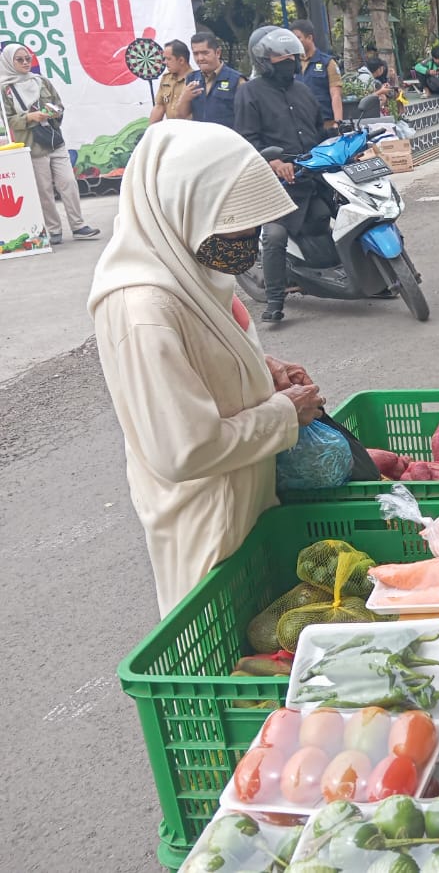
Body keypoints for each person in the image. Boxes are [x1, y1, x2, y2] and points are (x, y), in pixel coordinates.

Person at [88, 120, 327, 616]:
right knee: (225, 650)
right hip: (208, 524)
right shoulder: (143, 310)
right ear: (184, 207)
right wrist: (284, 413)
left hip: (246, 497)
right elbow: (184, 451)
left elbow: (205, 354)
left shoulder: (188, 269)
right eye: (236, 220)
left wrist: (262, 368)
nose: (249, 236)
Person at [233, 26, 329, 322]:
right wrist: (273, 162)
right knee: (274, 235)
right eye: (279, 55)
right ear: (263, 59)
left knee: (341, 213)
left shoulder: (303, 90)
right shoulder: (249, 93)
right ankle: (275, 298)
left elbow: (319, 129)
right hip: (275, 184)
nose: (288, 59)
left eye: (291, 54)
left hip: (311, 176)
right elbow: (247, 140)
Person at [0, 44, 100, 244]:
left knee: (69, 183)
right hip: (32, 144)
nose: (25, 63)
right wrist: (30, 117)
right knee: (43, 189)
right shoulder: (5, 89)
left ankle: (78, 226)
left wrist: (54, 112)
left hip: (54, 140)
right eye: (19, 60)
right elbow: (7, 119)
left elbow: (59, 104)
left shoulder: (41, 81)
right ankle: (54, 230)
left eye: (27, 58)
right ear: (9, 62)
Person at [183, 32, 244, 129]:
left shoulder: (236, 80)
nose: (200, 58)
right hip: (199, 140)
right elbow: (180, 116)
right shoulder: (192, 79)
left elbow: (245, 119)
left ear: (218, 53)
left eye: (205, 53)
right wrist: (184, 98)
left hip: (227, 141)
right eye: (196, 54)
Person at [292, 19, 344, 125]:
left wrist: (338, 123)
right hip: (302, 124)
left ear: (309, 38)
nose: (295, 42)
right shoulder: (292, 63)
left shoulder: (327, 63)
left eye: (298, 38)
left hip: (325, 122)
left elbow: (336, 95)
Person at [148, 40, 193, 125]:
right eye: (164, 58)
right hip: (170, 129)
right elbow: (159, 107)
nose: (165, 62)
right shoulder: (166, 78)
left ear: (181, 60)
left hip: (189, 130)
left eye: (169, 59)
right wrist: (150, 131)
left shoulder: (195, 79)